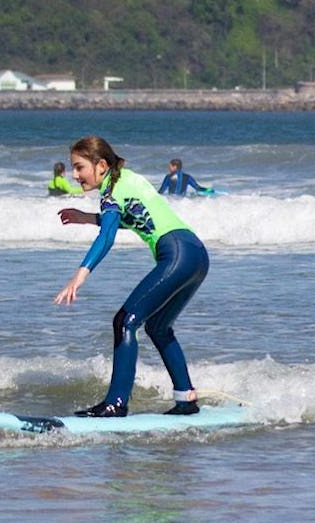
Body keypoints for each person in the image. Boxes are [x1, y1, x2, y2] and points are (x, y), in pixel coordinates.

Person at [54, 136, 210, 417]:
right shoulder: (127, 179)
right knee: (158, 327)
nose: (75, 175)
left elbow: (108, 236)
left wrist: (81, 274)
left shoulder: (111, 191)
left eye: (79, 167)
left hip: (175, 254)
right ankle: (185, 398)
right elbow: (139, 216)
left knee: (125, 321)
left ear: (101, 165)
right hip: (196, 255)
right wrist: (87, 217)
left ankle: (116, 403)